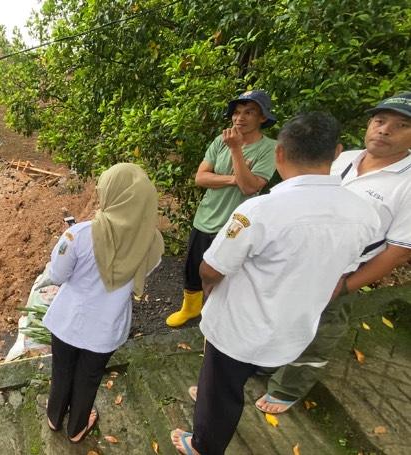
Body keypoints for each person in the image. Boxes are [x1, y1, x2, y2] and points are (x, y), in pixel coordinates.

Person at [171, 112, 381, 455]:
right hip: (294, 329)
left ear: (280, 154)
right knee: (243, 373)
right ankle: (218, 391)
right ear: (337, 152)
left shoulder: (260, 211)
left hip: (240, 328)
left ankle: (202, 445)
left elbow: (211, 268)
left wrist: (211, 291)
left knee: (221, 391)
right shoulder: (364, 214)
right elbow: (345, 269)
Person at [256, 92, 411, 414]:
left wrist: (344, 287)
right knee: (279, 317)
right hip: (294, 261)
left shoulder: (406, 183)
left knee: (319, 331)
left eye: (401, 125)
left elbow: (397, 251)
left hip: (338, 274)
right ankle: (268, 363)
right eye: (380, 121)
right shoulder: (343, 159)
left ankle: (287, 388)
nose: (384, 130)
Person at [42, 163, 164, 443]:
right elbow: (140, 271)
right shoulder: (152, 244)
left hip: (67, 322)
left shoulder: (79, 234)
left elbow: (58, 275)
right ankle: (77, 429)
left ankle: (54, 417)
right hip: (106, 328)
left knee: (62, 371)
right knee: (89, 378)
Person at [166, 90, 278, 328]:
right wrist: (233, 178)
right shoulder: (220, 140)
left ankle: (217, 319)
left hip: (235, 224)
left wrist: (236, 150)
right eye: (237, 112)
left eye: (249, 112)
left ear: (262, 118)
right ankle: (190, 308)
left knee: (223, 274)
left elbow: (249, 187)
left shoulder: (269, 148)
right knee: (193, 268)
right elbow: (200, 177)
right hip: (205, 216)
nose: (240, 118)